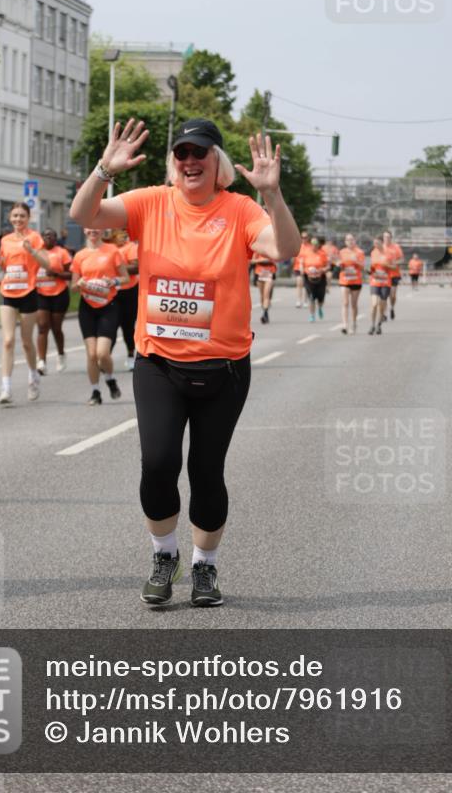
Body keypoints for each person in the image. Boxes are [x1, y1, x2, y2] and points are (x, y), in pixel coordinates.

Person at [70, 117, 300, 607]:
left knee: (206, 469)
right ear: (173, 165)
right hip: (159, 364)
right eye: (182, 154)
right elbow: (81, 213)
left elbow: (284, 249)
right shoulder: (151, 202)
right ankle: (163, 554)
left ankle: (204, 567)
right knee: (157, 463)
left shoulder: (239, 210)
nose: (190, 161)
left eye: (200, 154)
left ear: (218, 164)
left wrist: (273, 197)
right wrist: (103, 171)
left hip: (224, 368)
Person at [0, 202, 51, 405]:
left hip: (28, 293)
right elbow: (3, 265)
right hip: (7, 292)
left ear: (28, 218)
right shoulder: (5, 240)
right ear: (10, 218)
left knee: (27, 342)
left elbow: (47, 264)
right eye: (15, 216)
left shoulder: (34, 238)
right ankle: (6, 387)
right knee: (8, 340)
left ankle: (33, 375)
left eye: (22, 216)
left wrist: (32, 251)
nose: (18, 219)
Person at [70, 228, 129, 404]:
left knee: (102, 354)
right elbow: (72, 287)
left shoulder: (112, 251)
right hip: (87, 308)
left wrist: (115, 281)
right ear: (84, 230)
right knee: (91, 354)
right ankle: (95, 392)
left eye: (96, 228)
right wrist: (78, 283)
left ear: (102, 230)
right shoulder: (80, 255)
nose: (93, 231)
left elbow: (125, 277)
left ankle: (110, 379)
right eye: (89, 228)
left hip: (108, 306)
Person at [36, 228, 73, 375]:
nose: (49, 238)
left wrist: (56, 274)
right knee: (42, 327)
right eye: (46, 236)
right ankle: (42, 361)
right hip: (40, 294)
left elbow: (71, 274)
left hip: (59, 294)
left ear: (56, 239)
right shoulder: (37, 252)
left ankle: (61, 354)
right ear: (42, 238)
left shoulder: (61, 252)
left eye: (52, 236)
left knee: (56, 328)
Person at [110, 229, 140, 370]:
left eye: (125, 234)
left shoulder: (131, 247)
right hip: (112, 292)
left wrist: (117, 268)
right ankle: (106, 356)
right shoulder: (109, 248)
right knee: (111, 325)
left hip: (129, 291)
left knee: (128, 327)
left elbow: (135, 267)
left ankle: (130, 354)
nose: (123, 237)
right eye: (120, 234)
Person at [338, 232, 365, 334]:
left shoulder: (359, 252)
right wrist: (339, 264)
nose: (350, 242)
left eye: (352, 239)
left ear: (355, 241)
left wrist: (355, 261)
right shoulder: (342, 252)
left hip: (356, 280)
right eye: (348, 240)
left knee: (354, 304)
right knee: (345, 302)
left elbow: (362, 266)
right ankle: (345, 325)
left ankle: (354, 323)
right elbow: (338, 264)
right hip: (344, 280)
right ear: (345, 242)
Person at [301, 236, 329, 322]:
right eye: (312, 244)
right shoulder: (306, 253)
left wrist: (321, 270)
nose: (314, 246)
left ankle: (320, 307)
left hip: (320, 279)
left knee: (320, 297)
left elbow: (327, 266)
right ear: (310, 244)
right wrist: (304, 271)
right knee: (311, 297)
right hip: (309, 278)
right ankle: (312, 315)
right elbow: (301, 264)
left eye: (316, 244)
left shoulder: (322, 254)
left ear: (318, 245)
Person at [369, 236, 391, 334]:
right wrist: (370, 271)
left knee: (381, 306)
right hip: (375, 281)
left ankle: (379, 325)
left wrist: (387, 266)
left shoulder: (389, 253)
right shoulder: (373, 253)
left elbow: (395, 266)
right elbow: (372, 267)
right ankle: (372, 325)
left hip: (385, 282)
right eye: (374, 243)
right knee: (374, 304)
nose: (375, 245)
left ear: (382, 243)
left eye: (377, 243)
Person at [382, 229, 404, 320]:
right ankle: (384, 313)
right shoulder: (380, 248)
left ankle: (392, 308)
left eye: (388, 237)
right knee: (384, 295)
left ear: (391, 238)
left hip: (394, 274)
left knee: (392, 295)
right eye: (385, 237)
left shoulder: (396, 247)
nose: (386, 238)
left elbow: (402, 259)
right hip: (383, 275)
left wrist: (395, 262)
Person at [250, 253, 277, 323]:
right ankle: (264, 310)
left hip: (269, 273)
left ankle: (265, 313)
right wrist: (263, 260)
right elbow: (252, 261)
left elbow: (274, 259)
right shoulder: (257, 250)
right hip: (259, 273)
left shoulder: (271, 249)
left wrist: (260, 260)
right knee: (262, 295)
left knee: (266, 295)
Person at [293, 229, 311, 308]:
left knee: (306, 285)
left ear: (308, 238)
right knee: (299, 283)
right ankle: (298, 300)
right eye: (302, 237)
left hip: (307, 268)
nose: (304, 239)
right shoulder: (297, 245)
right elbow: (294, 256)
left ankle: (305, 300)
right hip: (298, 267)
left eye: (305, 237)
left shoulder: (310, 247)